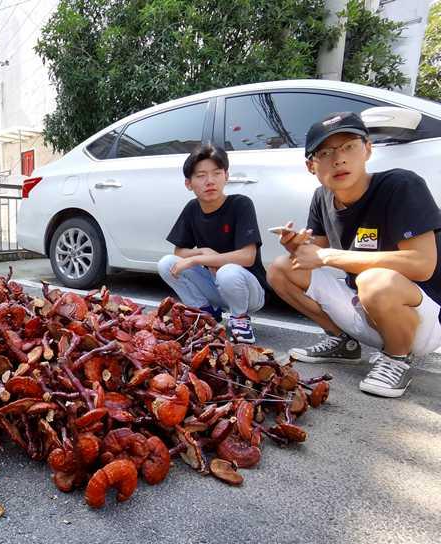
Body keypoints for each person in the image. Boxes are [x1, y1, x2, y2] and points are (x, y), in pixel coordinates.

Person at [267, 111, 441, 398]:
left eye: (349, 146)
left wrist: (326, 257)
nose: (339, 159)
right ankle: (342, 342)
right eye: (326, 152)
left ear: (368, 149)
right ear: (311, 166)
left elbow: (422, 265)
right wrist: (297, 247)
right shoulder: (322, 197)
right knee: (281, 268)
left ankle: (397, 358)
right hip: (365, 304)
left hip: (423, 316)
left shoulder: (401, 185)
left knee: (374, 281)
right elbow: (317, 252)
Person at [157, 144, 267, 344]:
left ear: (226, 175)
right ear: (188, 184)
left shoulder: (241, 204)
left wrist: (200, 259)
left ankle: (240, 319)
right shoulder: (192, 208)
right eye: (201, 176)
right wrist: (202, 252)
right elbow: (179, 251)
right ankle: (205, 314)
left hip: (248, 290)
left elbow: (247, 257)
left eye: (216, 173)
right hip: (215, 286)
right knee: (166, 263)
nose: (210, 181)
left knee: (228, 272)